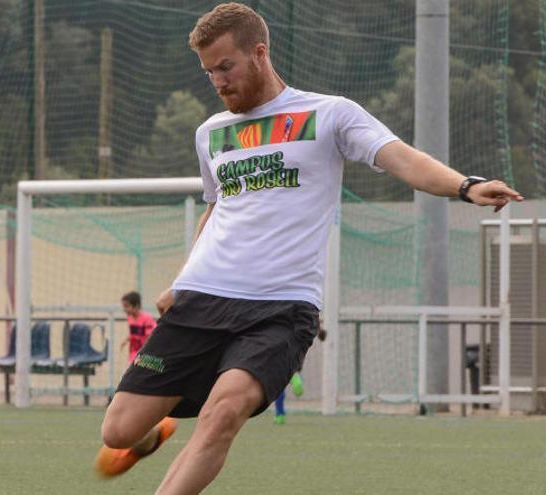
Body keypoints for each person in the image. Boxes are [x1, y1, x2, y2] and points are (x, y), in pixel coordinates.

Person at [94, 3, 523, 493]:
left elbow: (401, 158)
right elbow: (218, 209)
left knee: (222, 413)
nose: (217, 81)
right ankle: (155, 432)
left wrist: (465, 186)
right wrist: (181, 277)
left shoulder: (329, 114)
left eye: (225, 67)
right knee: (118, 430)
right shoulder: (210, 133)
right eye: (209, 71)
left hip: (280, 307)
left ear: (259, 53)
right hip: (201, 298)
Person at [119, 291, 157, 364]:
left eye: (126, 306)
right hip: (134, 353)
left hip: (148, 354)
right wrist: (126, 340)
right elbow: (133, 333)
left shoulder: (147, 319)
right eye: (123, 306)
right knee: (133, 372)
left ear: (136, 306)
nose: (124, 309)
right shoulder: (130, 318)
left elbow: (153, 336)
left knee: (157, 368)